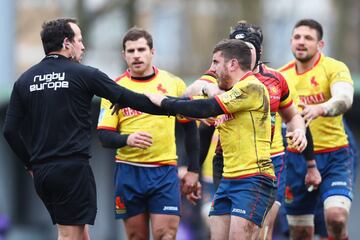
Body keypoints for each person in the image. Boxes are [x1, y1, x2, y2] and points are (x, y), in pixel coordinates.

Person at [2, 18, 170, 240]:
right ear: (66, 43)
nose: (83, 46)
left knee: (80, 234)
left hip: (43, 173)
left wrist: (31, 164)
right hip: (71, 170)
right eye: (79, 40)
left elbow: (10, 131)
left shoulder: (24, 80)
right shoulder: (84, 74)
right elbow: (128, 97)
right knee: (69, 235)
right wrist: (172, 106)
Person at [185, 21, 314, 239]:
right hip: (227, 161)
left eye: (248, 48)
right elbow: (190, 90)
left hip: (270, 160)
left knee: (265, 225)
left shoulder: (275, 79)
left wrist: (299, 130)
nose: (241, 53)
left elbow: (292, 116)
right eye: (236, 46)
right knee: (223, 230)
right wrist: (210, 90)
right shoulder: (221, 72)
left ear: (259, 52)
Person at [146, 39, 276, 239]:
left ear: (232, 64)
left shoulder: (252, 87)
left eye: (216, 62)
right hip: (228, 180)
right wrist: (133, 99)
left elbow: (204, 107)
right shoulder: (228, 92)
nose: (211, 69)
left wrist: (163, 101)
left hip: (253, 179)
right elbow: (189, 106)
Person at [96, 27, 200, 240]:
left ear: (152, 51)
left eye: (141, 49)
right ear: (123, 55)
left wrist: (193, 170)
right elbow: (104, 137)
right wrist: (128, 139)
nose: (136, 55)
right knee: (136, 236)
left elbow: (190, 129)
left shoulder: (174, 83)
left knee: (166, 235)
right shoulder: (114, 88)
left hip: (164, 172)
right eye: (131, 51)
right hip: (129, 172)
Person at [280, 19, 354, 240]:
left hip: (335, 155)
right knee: (301, 232)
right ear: (291, 41)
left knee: (336, 218)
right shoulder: (281, 76)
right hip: (295, 159)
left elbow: (344, 98)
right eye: (297, 37)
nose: (301, 42)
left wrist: (321, 108)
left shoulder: (334, 67)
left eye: (308, 38)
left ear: (320, 44)